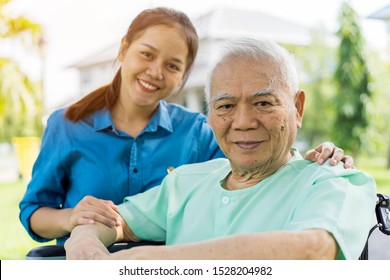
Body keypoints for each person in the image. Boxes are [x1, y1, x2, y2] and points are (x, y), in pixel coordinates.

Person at [19, 7, 352, 246]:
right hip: (86, 253)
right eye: (147, 54)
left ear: (183, 76)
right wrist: (70, 218)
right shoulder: (68, 124)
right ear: (124, 49)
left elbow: (252, 162)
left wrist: (315, 157)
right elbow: (33, 210)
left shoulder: (198, 129)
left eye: (172, 65)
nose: (155, 71)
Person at [64, 38, 376, 260]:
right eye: (226, 105)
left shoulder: (334, 180)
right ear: (210, 115)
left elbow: (311, 251)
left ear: (297, 108)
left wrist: (150, 264)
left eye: (263, 103)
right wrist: (84, 244)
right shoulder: (184, 182)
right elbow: (113, 221)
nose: (243, 122)